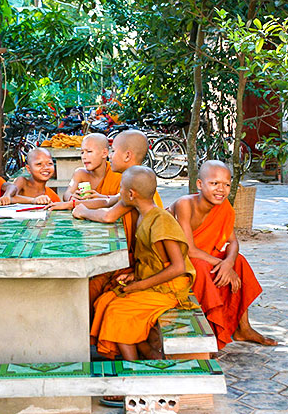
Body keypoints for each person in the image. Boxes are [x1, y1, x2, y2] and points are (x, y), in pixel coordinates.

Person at [90, 166, 196, 408]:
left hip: (170, 289)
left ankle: (134, 378)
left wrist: (139, 286)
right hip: (152, 282)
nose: (119, 193)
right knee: (105, 300)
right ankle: (145, 356)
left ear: (130, 194)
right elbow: (153, 260)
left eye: (121, 189)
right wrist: (133, 275)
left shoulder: (161, 221)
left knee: (118, 312)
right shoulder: (144, 215)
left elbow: (177, 267)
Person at [168, 160, 277, 349]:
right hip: (175, 258)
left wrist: (228, 263)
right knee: (201, 266)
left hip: (201, 254)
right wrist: (224, 265)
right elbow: (189, 250)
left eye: (227, 184)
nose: (221, 189)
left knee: (239, 261)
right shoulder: (185, 204)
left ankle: (244, 328)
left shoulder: (224, 206)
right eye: (214, 183)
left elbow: (233, 241)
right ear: (200, 184)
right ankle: (210, 331)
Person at [48, 131, 163, 308]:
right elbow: (109, 200)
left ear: (127, 155)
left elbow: (109, 214)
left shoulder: (136, 185)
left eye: (113, 151)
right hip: (136, 255)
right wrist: (72, 204)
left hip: (147, 263)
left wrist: (83, 212)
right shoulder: (134, 178)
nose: (110, 155)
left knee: (92, 288)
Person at [62, 133, 122, 202]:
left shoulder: (118, 174)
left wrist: (101, 198)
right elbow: (66, 194)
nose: (84, 157)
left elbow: (124, 200)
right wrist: (71, 198)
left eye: (89, 151)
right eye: (82, 152)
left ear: (104, 153)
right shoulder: (80, 173)